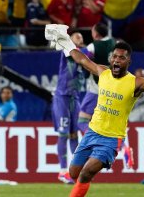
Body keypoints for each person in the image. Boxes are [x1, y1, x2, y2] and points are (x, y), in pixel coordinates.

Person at [46, 26, 144, 197]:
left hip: (111, 139)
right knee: (74, 173)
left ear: (128, 62)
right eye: (114, 57)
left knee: (86, 172)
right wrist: (66, 42)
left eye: (121, 58)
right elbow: (81, 59)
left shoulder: (136, 83)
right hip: (92, 133)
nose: (116, 61)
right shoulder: (103, 73)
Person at [52, 32, 85, 184]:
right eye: (76, 36)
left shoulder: (84, 56)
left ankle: (74, 171)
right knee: (63, 133)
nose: (80, 38)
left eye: (81, 37)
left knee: (74, 134)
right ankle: (62, 170)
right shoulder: (67, 50)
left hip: (75, 98)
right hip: (63, 97)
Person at [77, 23, 115, 133]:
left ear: (96, 34)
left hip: (97, 89)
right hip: (113, 88)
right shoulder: (115, 43)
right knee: (109, 123)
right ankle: (124, 147)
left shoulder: (93, 46)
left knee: (82, 120)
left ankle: (95, 141)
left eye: (92, 31)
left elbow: (81, 59)